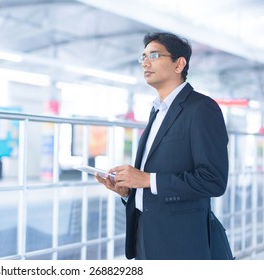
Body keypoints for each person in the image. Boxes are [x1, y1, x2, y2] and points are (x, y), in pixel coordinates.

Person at [96, 32, 229, 260]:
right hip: (144, 236)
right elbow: (156, 177)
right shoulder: (157, 111)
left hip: (180, 243)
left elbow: (213, 180)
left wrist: (147, 180)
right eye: (143, 57)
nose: (145, 63)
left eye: (154, 55)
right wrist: (129, 191)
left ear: (179, 64)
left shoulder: (202, 109)